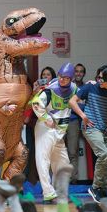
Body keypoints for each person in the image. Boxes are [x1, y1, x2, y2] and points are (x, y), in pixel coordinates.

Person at [69, 65, 107, 203]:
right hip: (90, 127)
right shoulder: (89, 87)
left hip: (104, 129)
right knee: (103, 155)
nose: (99, 80)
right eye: (99, 78)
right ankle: (95, 187)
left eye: (102, 79)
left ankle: (102, 189)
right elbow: (72, 101)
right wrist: (83, 116)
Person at [31, 62, 77, 202]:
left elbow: (82, 93)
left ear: (71, 79)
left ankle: (60, 192)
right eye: (61, 77)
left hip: (59, 131)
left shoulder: (74, 88)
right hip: (46, 128)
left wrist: (93, 84)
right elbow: (36, 103)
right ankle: (49, 194)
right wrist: (45, 118)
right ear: (58, 75)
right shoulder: (50, 89)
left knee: (63, 164)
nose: (63, 79)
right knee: (43, 160)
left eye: (66, 78)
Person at [66, 63, 86, 182]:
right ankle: (58, 179)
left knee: (72, 151)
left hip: (74, 122)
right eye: (76, 71)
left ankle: (73, 179)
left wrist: (73, 104)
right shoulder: (68, 86)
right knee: (58, 151)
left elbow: (84, 107)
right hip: (60, 121)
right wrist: (77, 104)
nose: (78, 73)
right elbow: (66, 103)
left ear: (83, 74)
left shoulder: (85, 88)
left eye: (81, 71)